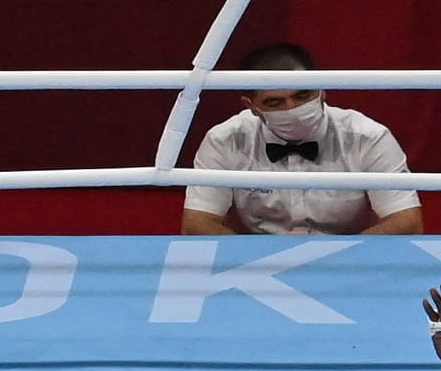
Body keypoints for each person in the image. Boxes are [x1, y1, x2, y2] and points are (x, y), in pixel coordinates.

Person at [181, 43, 423, 236]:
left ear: (322, 89)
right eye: (275, 102)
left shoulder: (368, 137)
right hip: (256, 263)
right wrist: (252, 260)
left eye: (303, 95)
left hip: (346, 262)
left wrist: (340, 257)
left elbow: (406, 221)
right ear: (251, 106)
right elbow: (197, 224)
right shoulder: (225, 140)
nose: (292, 109)